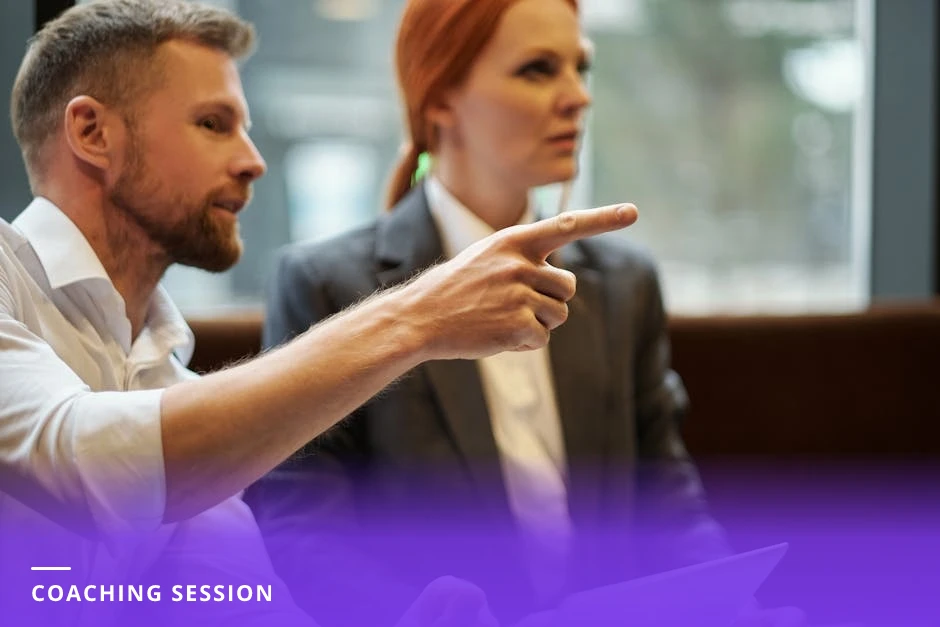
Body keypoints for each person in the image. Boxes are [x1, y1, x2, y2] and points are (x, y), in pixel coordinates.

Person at [0, 1, 636, 625]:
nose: (252, 161)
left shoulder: (163, 374)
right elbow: (89, 459)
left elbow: (245, 601)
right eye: (214, 124)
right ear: (91, 133)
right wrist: (419, 317)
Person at [247, 0, 735, 625]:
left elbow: (668, 505)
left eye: (578, 68)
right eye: (538, 69)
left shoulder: (623, 285)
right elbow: (304, 532)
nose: (577, 96)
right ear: (441, 95)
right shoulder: (326, 286)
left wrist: (732, 599)